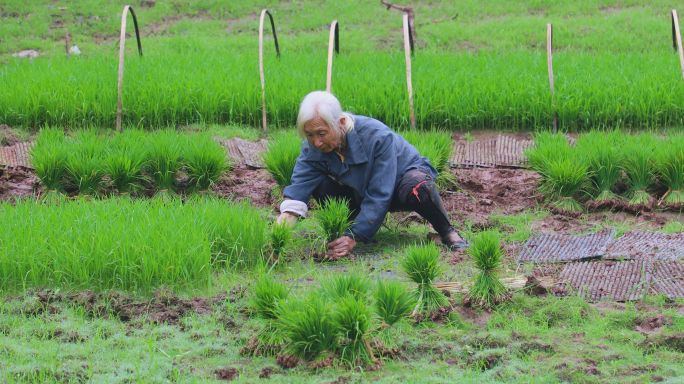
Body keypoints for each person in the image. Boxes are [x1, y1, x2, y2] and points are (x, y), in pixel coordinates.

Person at [276, 91, 468, 259]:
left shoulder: (376, 136)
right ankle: (352, 227)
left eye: (321, 133)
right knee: (320, 185)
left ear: (340, 123)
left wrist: (355, 235)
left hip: (399, 184)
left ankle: (447, 231)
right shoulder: (313, 149)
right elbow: (297, 194)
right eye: (310, 135)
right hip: (363, 191)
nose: (316, 142)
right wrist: (278, 236)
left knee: (418, 186)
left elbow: (380, 191)